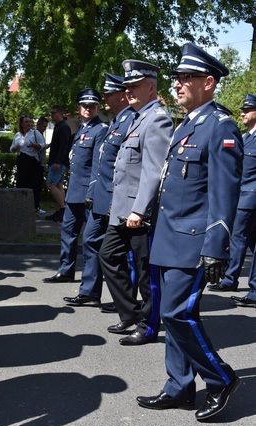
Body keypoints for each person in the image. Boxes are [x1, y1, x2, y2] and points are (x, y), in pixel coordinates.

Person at [136, 43, 243, 420]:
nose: (178, 84)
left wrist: (217, 245)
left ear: (209, 83)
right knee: (172, 314)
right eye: (177, 78)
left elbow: (224, 192)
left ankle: (221, 378)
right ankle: (179, 387)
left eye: (187, 78)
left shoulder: (221, 127)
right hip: (169, 236)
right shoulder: (189, 123)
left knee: (176, 312)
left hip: (194, 239)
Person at [99, 60, 174, 346]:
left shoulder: (157, 119)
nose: (128, 91)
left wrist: (138, 210)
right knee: (107, 255)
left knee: (146, 273)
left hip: (138, 213)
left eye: (135, 86)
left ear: (151, 87)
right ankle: (130, 313)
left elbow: (152, 171)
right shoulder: (135, 117)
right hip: (122, 210)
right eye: (127, 86)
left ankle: (148, 325)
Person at [63, 72, 135, 308]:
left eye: (107, 94)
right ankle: (91, 292)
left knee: (122, 250)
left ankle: (126, 299)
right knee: (93, 241)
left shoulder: (123, 122)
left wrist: (92, 193)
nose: (103, 99)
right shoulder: (117, 121)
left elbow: (103, 164)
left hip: (113, 196)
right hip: (102, 194)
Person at [42, 89, 108, 283]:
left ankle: (90, 281)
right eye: (85, 106)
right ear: (78, 108)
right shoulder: (81, 129)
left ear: (97, 107)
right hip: (74, 192)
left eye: (92, 106)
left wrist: (92, 193)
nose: (88, 109)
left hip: (89, 194)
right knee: (68, 233)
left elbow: (98, 165)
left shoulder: (100, 129)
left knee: (91, 241)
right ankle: (66, 270)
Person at [208, 94, 256, 299]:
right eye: (242, 109)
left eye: (247, 109)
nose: (243, 113)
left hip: (249, 197)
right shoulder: (245, 138)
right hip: (242, 195)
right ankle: (254, 289)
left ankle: (229, 279)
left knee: (237, 238)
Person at [10, 114, 45, 211]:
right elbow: (11, 149)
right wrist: (14, 148)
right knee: (21, 182)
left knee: (33, 184)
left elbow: (42, 146)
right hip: (21, 159)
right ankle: (21, 204)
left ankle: (34, 206)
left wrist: (34, 145)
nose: (28, 124)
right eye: (26, 122)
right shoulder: (17, 135)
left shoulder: (35, 133)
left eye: (30, 121)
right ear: (21, 124)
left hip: (32, 161)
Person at [45, 105, 72, 223]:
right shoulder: (59, 126)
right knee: (59, 185)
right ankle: (62, 210)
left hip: (59, 162)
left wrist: (58, 162)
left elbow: (64, 146)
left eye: (53, 112)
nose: (51, 115)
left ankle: (63, 209)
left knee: (50, 184)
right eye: (51, 113)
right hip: (57, 161)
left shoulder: (64, 127)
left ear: (60, 113)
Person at [35, 116, 50, 214]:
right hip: (37, 164)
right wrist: (47, 146)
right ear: (39, 125)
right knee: (37, 186)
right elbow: (38, 149)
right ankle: (35, 207)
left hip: (40, 164)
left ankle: (36, 206)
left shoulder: (40, 135)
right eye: (44, 126)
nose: (45, 129)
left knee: (38, 186)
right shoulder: (35, 135)